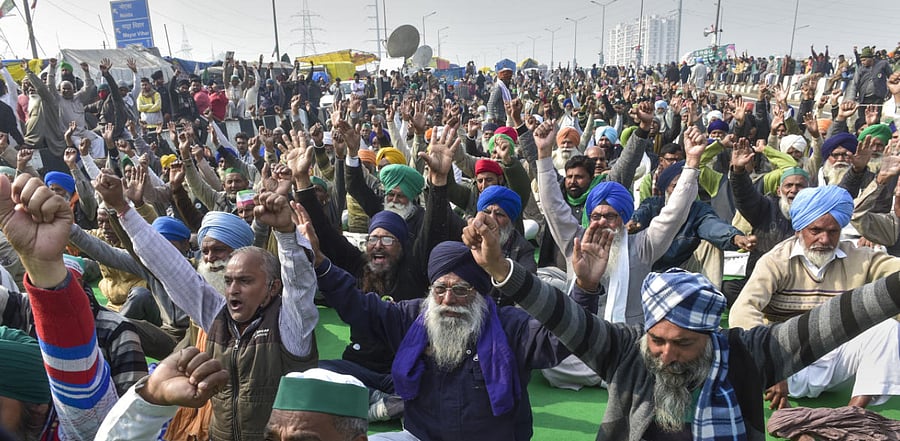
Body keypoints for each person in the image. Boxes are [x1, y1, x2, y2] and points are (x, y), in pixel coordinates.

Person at [464, 206, 900, 440]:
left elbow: (842, 317)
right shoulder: (624, 350)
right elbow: (560, 314)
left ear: (710, 336)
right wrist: (502, 269)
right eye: (658, 341)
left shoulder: (748, 355)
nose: (667, 354)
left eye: (684, 344)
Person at [95, 170, 320, 440]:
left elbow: (299, 284)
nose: (233, 288)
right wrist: (122, 208)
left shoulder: (290, 326)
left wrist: (285, 234)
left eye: (245, 281)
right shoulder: (217, 316)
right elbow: (169, 266)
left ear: (272, 287)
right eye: (229, 281)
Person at [730, 185, 900, 409]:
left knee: (886, 329)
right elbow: (743, 310)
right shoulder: (776, 261)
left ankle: (853, 412)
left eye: (833, 232)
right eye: (816, 230)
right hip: (788, 364)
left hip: (838, 361)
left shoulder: (859, 258)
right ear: (799, 230)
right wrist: (771, 363)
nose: (824, 239)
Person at [0, 173, 119, 440]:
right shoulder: (23, 311)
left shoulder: (115, 328)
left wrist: (45, 267)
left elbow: (91, 415)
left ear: (38, 407)